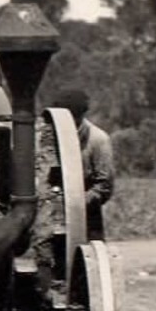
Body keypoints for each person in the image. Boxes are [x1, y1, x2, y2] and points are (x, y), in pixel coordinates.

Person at [49, 88, 114, 241]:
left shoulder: (98, 139)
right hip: (52, 213)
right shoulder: (48, 136)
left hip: (87, 217)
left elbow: (104, 186)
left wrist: (76, 204)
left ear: (80, 115)